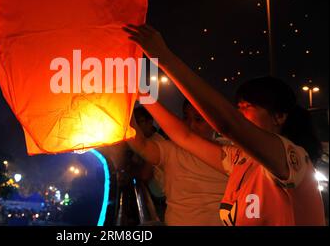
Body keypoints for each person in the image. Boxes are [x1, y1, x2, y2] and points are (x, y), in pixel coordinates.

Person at [123, 24, 325, 225]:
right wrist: (142, 94)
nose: (240, 113)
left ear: (279, 116)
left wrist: (165, 58)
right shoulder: (241, 161)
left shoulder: (291, 159)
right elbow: (185, 137)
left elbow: (229, 124)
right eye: (238, 107)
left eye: (247, 106)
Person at [128, 102, 229, 225]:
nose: (191, 125)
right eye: (186, 117)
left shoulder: (230, 154)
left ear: (214, 123)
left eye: (198, 119)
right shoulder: (171, 150)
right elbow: (141, 145)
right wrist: (125, 105)